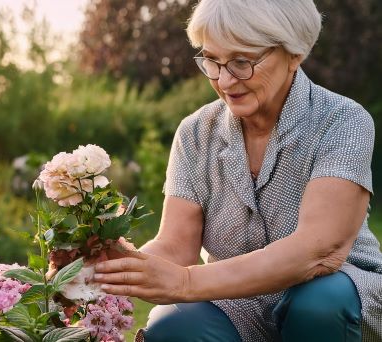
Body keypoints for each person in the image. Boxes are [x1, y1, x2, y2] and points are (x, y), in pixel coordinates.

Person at [93, 0, 382, 341]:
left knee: (318, 305)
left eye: (242, 62)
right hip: (236, 301)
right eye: (212, 61)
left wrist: (186, 282)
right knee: (173, 326)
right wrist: (112, 262)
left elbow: (315, 252)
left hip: (336, 290)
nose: (225, 79)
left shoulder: (342, 121)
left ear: (294, 54)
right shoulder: (196, 133)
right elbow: (176, 248)